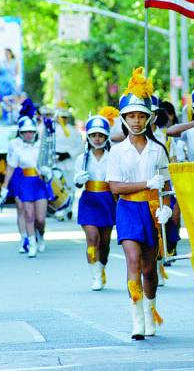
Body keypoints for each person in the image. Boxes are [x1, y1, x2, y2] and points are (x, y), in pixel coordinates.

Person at [106, 67, 172, 340]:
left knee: (149, 267)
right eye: (131, 116)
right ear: (124, 118)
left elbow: (167, 186)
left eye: (141, 115)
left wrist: (167, 206)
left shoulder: (159, 149)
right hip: (128, 209)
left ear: (148, 119)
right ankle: (136, 320)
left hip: (152, 210)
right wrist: (147, 184)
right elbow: (115, 187)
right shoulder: (117, 150)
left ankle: (150, 311)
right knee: (132, 261)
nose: (136, 120)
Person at [0, 101, 51, 258]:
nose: (28, 134)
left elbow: (48, 163)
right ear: (21, 133)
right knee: (28, 214)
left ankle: (40, 236)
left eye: (31, 131)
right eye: (25, 132)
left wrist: (48, 172)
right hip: (25, 183)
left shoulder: (42, 144)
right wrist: (4, 187)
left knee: (40, 219)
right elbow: (10, 167)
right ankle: (31, 243)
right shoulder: (15, 145)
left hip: (40, 182)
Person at [74, 112, 116, 291]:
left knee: (104, 244)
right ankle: (95, 276)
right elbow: (76, 183)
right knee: (93, 238)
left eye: (100, 135)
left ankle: (102, 267)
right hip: (89, 200)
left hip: (107, 200)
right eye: (93, 135)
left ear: (106, 136)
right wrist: (79, 179)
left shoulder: (114, 157)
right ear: (88, 136)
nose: (97, 139)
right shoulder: (81, 159)